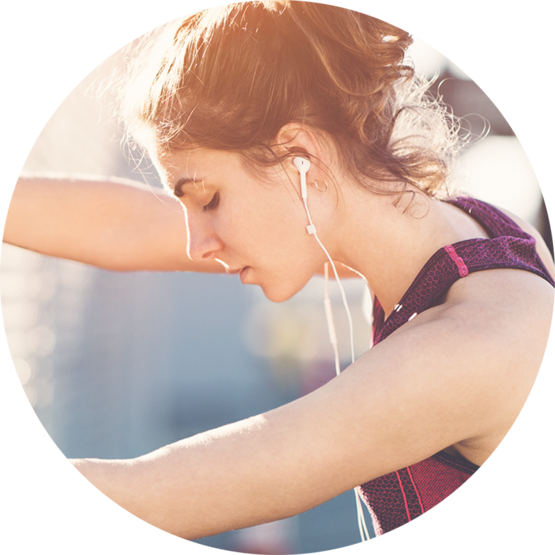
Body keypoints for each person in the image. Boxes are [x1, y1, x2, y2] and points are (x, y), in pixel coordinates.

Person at [3, 0, 554, 541]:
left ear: (300, 156)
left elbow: (157, 493)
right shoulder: (466, 234)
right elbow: (125, 226)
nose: (196, 244)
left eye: (209, 198)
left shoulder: (474, 345)